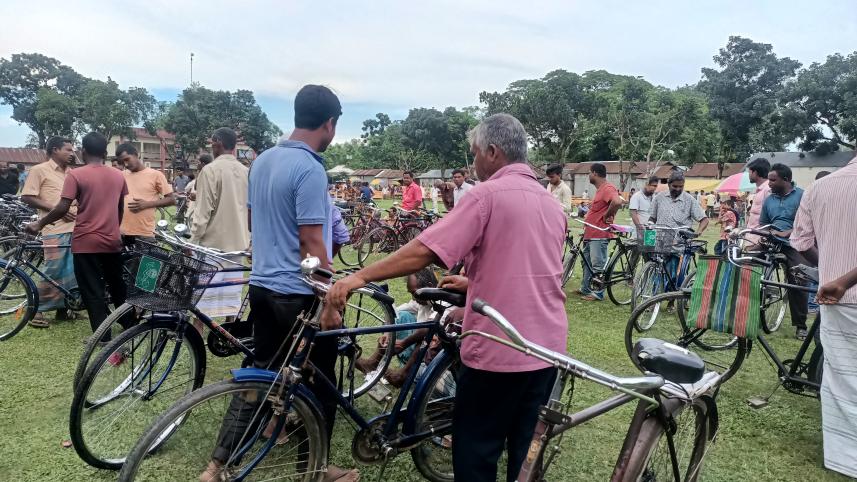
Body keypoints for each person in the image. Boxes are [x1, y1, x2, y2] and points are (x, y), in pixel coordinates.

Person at [324, 113, 567, 482]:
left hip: (498, 350)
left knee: (476, 452)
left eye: (473, 154)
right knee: (524, 455)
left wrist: (359, 275)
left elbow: (425, 250)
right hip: (547, 350)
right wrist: (475, 290)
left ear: (491, 151)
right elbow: (532, 273)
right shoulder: (551, 205)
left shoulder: (486, 196)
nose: (472, 164)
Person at [200, 85, 357, 482]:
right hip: (298, 293)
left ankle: (216, 464)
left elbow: (254, 224)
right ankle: (317, 469)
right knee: (320, 381)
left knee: (259, 370)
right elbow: (311, 241)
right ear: (330, 123)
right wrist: (328, 300)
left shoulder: (262, 161)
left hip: (263, 287)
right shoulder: (310, 168)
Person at [25, 132, 129, 339]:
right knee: (117, 285)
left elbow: (63, 207)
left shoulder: (76, 174)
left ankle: (102, 337)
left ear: (84, 151)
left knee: (92, 290)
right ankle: (129, 325)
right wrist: (114, 230)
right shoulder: (118, 175)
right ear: (104, 152)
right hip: (112, 240)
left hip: (86, 241)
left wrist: (39, 223)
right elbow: (119, 209)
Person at [791, 154, 857, 478]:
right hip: (841, 291)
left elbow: (801, 242)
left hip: (838, 299)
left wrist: (832, 270)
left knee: (842, 378)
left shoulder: (819, 188)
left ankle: (845, 458)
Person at [20, 136, 78, 327]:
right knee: (52, 270)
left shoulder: (71, 173)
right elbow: (27, 197)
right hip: (54, 228)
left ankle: (63, 310)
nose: (72, 153)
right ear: (54, 150)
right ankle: (36, 311)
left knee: (71, 272)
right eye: (68, 150)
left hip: (75, 228)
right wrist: (56, 209)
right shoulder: (39, 170)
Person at [354, 268, 439, 387]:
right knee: (401, 316)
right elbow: (395, 312)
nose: (413, 298)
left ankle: (403, 374)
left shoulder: (443, 303)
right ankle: (374, 363)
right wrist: (387, 332)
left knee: (426, 336)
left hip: (429, 358)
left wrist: (404, 343)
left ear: (429, 286)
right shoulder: (422, 300)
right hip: (415, 354)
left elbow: (428, 329)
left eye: (415, 293)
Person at [758, 163, 809, 339]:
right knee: (747, 267)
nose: (769, 183)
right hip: (772, 241)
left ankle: (801, 325)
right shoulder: (769, 199)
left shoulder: (803, 196)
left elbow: (805, 225)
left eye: (773, 180)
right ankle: (751, 310)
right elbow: (763, 224)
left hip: (795, 243)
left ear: (786, 180)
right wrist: (765, 234)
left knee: (798, 281)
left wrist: (786, 233)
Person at [648, 171, 709, 279]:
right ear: (668, 184)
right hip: (661, 242)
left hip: (680, 245)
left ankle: (676, 294)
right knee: (658, 275)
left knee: (675, 277)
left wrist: (697, 232)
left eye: (681, 186)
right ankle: (657, 295)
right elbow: (652, 217)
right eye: (675, 186)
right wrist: (650, 224)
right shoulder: (659, 198)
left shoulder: (689, 200)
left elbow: (704, 219)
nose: (678, 189)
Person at [115, 143, 175, 244]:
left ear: (136, 154)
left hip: (145, 234)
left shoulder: (156, 175)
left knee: (146, 260)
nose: (125, 164)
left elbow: (171, 199)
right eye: (122, 162)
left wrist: (147, 204)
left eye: (127, 159)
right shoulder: (121, 176)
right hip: (122, 233)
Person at [580, 163, 622, 302]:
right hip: (591, 233)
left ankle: (598, 293)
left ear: (595, 173)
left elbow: (616, 201)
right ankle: (585, 288)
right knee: (587, 262)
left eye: (589, 173)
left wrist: (606, 216)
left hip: (599, 234)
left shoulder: (607, 188)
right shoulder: (600, 189)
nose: (589, 176)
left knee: (597, 264)